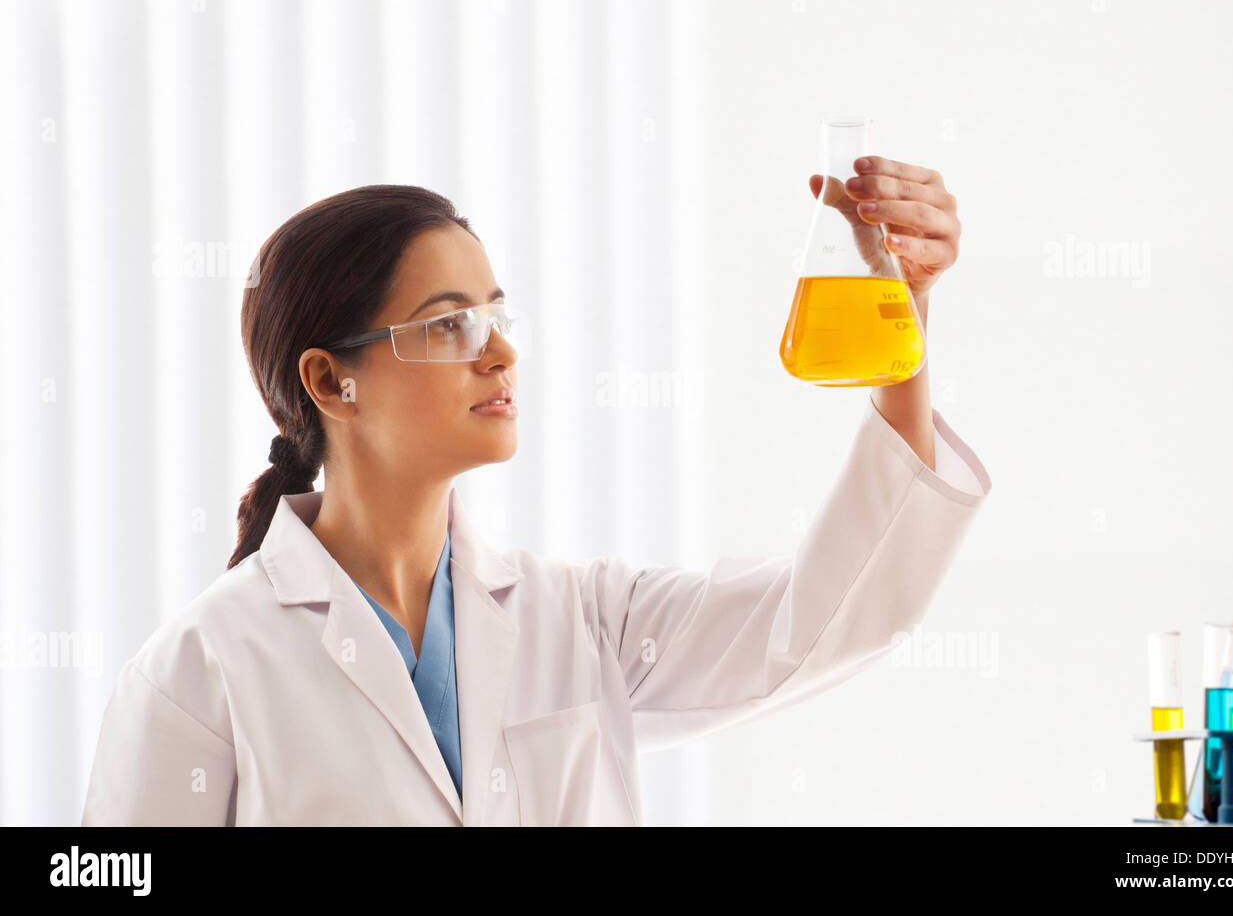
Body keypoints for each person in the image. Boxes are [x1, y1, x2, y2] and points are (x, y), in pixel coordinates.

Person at [81, 165, 990, 826]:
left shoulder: (580, 618)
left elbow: (822, 622)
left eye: (497, 314)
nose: (501, 351)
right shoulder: (200, 673)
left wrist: (897, 329)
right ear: (330, 381)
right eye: (449, 324)